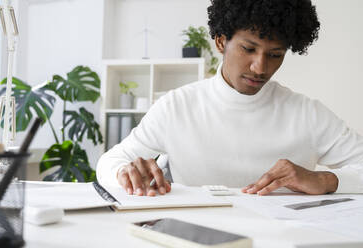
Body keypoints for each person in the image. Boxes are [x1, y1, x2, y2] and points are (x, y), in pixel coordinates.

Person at [97, 0, 363, 197]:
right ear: (221, 41)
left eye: (275, 54)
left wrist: (324, 180)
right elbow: (108, 162)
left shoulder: (307, 113)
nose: (260, 68)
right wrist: (124, 173)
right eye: (249, 49)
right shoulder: (177, 107)